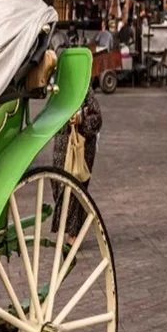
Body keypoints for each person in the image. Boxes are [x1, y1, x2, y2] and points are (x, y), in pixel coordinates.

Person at [51, 86, 102, 245]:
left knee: (75, 189)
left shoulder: (85, 90)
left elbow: (97, 118)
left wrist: (81, 119)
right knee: (58, 186)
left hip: (81, 147)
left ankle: (72, 236)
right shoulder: (58, 90)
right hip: (62, 146)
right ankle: (70, 228)